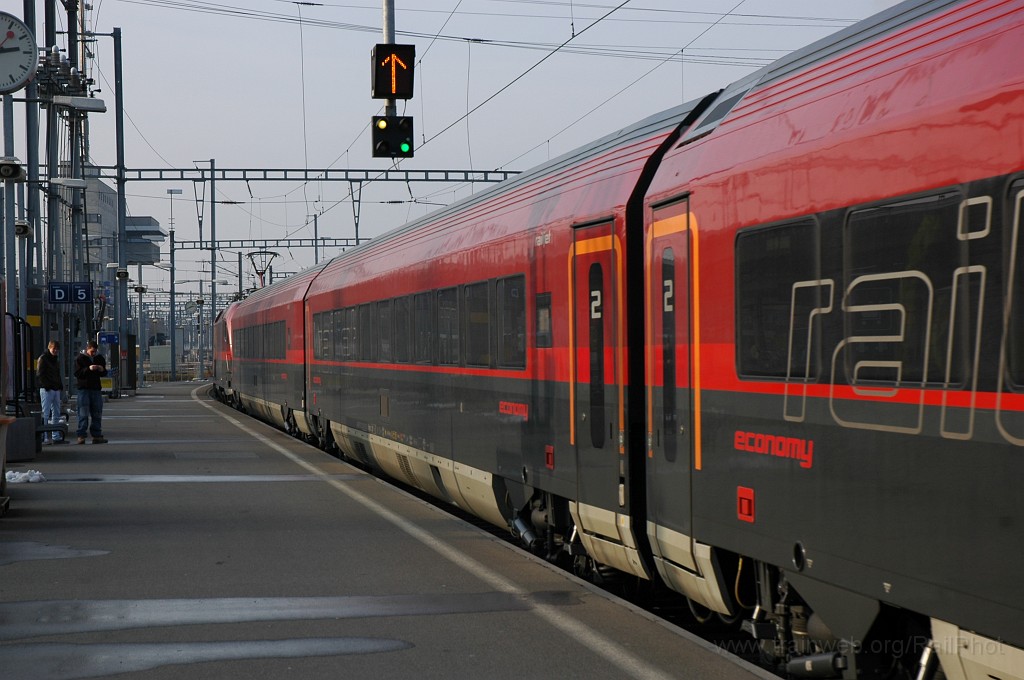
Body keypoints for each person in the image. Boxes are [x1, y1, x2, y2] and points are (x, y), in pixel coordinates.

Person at [74, 340, 108, 445]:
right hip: (84, 388)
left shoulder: (99, 358)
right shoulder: (80, 359)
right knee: (83, 413)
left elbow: (104, 373)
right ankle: (81, 435)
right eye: (92, 351)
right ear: (87, 349)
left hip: (96, 388)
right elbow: (78, 373)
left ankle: (96, 435)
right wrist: (88, 368)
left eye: (95, 351)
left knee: (97, 412)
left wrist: (102, 369)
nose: (93, 353)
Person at [36, 339, 64, 445]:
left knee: (56, 413)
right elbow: (40, 375)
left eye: (57, 349)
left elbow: (57, 374)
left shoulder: (54, 359)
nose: (55, 350)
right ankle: (45, 436)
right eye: (54, 348)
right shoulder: (43, 359)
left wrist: (59, 385)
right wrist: (46, 386)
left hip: (55, 388)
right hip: (47, 389)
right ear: (49, 347)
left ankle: (54, 435)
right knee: (46, 413)